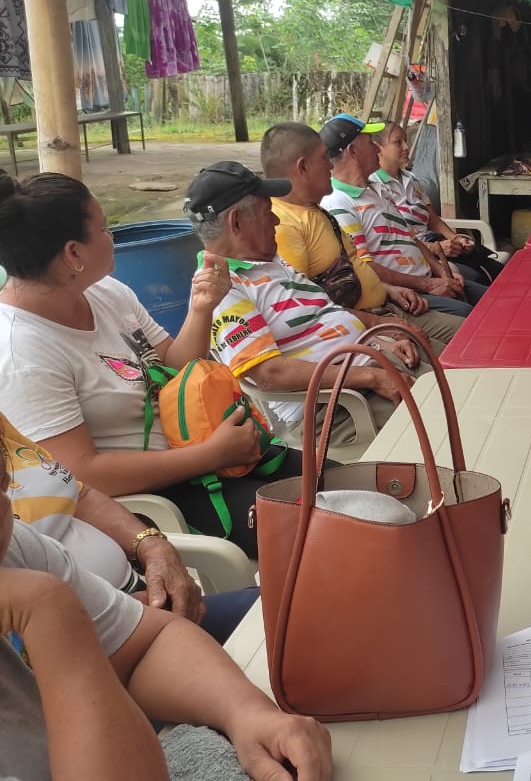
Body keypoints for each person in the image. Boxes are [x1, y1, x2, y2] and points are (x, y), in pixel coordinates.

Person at [0, 172, 297, 556]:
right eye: (104, 229)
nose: (112, 237)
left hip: (209, 449)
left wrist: (201, 307)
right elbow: (81, 474)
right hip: (162, 496)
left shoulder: (105, 292)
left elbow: (174, 366)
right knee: (318, 529)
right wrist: (210, 455)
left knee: (341, 485)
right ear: (74, 254)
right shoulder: (22, 353)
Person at [0, 461, 333, 781]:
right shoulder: (40, 596)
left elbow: (145, 644)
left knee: (309, 614)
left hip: (132, 599)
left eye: (3, 484)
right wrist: (51, 611)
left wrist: (247, 713)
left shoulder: (17, 549)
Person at [187, 162, 418, 445]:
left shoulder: (269, 260)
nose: (276, 220)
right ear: (236, 223)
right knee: (448, 412)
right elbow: (269, 374)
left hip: (366, 365)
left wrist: (379, 336)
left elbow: (324, 314)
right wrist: (371, 376)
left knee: (457, 373)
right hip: (335, 405)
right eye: (267, 212)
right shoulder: (222, 288)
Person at [2, 412, 257, 644]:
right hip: (90, 640)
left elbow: (80, 494)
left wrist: (153, 547)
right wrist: (119, 613)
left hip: (143, 603)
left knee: (274, 615)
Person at [259, 121, 465, 352]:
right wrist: (378, 329)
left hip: (387, 306)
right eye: (324, 158)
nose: (331, 165)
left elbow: (354, 266)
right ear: (303, 167)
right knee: (458, 350)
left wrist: (389, 289)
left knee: (468, 333)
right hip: (361, 328)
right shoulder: (286, 225)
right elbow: (309, 311)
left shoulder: (314, 211)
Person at [318, 113, 485, 310]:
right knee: (471, 314)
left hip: (427, 278)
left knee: (491, 298)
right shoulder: (338, 202)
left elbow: (411, 238)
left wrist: (443, 272)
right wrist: (428, 284)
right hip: (407, 293)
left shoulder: (378, 189)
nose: (377, 149)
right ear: (353, 151)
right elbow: (365, 267)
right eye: (371, 143)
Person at [368, 122, 504, 283]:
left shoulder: (411, 179)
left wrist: (455, 238)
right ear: (378, 148)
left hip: (435, 242)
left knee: (498, 270)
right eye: (398, 142)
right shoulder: (375, 187)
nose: (406, 146)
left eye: (405, 140)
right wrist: (436, 248)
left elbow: (433, 220)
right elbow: (395, 239)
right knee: (477, 279)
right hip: (416, 254)